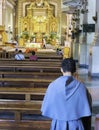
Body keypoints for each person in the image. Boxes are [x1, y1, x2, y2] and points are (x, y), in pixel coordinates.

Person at [41, 58, 92, 130]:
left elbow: (46, 105)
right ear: (75, 70)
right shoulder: (81, 87)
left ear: (61, 69)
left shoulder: (52, 85)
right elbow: (88, 105)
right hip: (76, 124)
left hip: (58, 124)